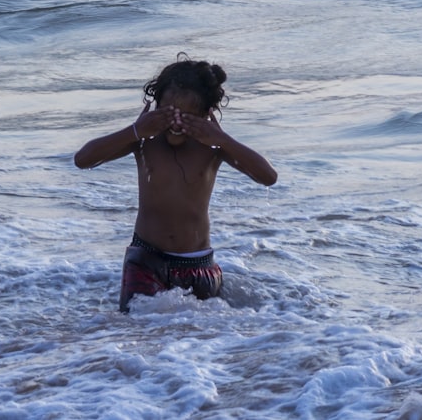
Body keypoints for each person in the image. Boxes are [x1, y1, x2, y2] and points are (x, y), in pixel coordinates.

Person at [74, 56, 277, 312]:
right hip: (146, 260)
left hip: (199, 265)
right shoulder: (145, 140)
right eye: (169, 114)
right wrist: (135, 130)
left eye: (188, 117)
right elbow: (83, 159)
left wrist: (223, 139)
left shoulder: (213, 148)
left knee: (200, 342)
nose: (177, 123)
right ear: (156, 107)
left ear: (206, 114)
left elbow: (268, 176)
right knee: (135, 331)